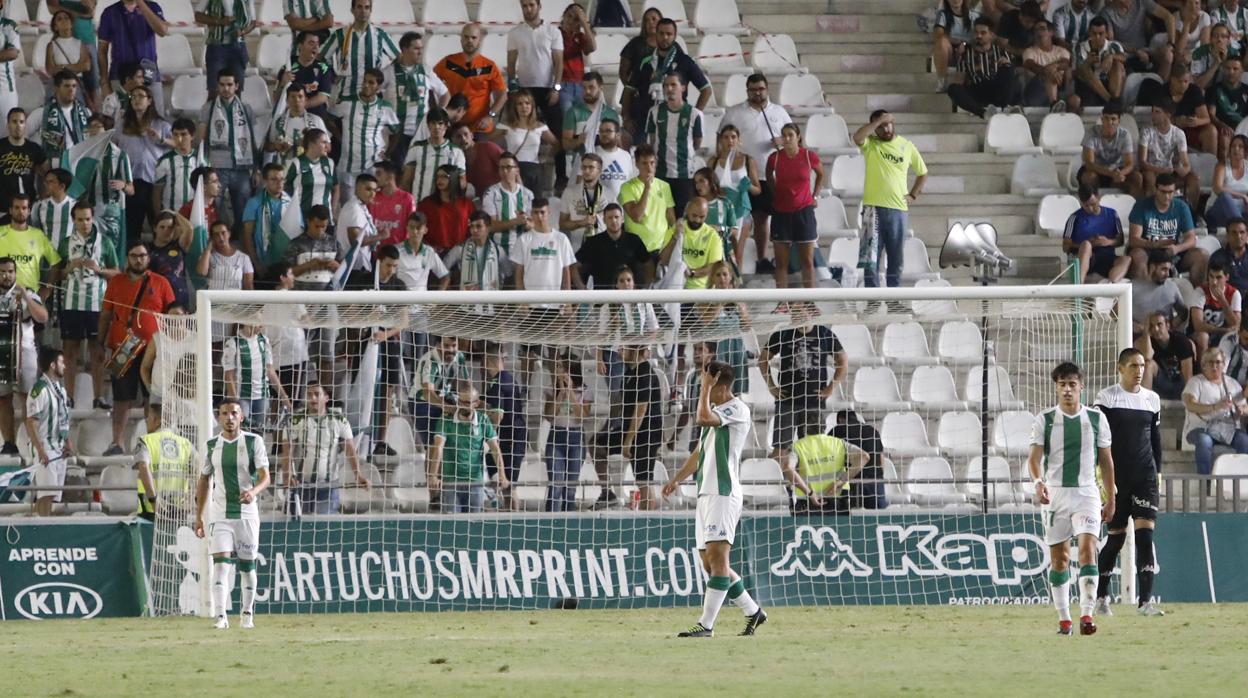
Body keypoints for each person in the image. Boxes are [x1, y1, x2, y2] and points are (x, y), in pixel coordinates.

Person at [661, 361, 766, 638]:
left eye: (706, 379)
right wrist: (678, 478)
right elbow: (700, 450)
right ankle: (753, 612)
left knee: (719, 561)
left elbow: (703, 418)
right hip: (706, 494)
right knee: (710, 565)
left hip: (723, 491)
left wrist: (705, 390)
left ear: (719, 382)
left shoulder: (737, 409)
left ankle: (705, 625)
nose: (701, 384)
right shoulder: (718, 411)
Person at [1028, 361, 1115, 636]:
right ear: (1056, 387)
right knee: (1060, 559)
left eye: (1072, 384)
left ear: (1081, 387)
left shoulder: (1096, 419)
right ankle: (1064, 619)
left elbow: (1107, 461)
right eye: (1062, 384)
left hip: (1087, 493)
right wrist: (1038, 482)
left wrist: (1110, 496)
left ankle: (1087, 616)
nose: (1067, 390)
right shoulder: (1045, 419)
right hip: (1055, 495)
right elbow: (1034, 458)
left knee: (1089, 550)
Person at [1095, 348, 1166, 618]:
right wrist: (1102, 479)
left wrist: (1157, 473)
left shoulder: (1152, 399)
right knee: (1115, 539)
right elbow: (1099, 443)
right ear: (1120, 368)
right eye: (1133, 366)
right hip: (1117, 479)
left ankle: (1145, 602)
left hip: (1145, 477)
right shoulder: (1106, 398)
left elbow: (1156, 441)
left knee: (1146, 536)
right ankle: (1101, 597)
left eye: (1142, 365)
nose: (1139, 370)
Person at [194, 399, 271, 630]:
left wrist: (253, 492)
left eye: (234, 413)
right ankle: (221, 617)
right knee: (221, 565)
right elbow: (204, 479)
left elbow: (265, 476)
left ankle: (247, 615)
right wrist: (199, 515)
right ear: (218, 417)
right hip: (220, 515)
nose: (229, 418)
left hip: (247, 515)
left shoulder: (253, 442)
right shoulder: (211, 446)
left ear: (242, 417)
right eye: (225, 413)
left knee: (248, 567)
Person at [99, 242, 175, 456]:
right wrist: (100, 342)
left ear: (148, 258)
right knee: (121, 398)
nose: (138, 260)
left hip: (153, 349)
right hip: (120, 347)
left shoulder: (161, 282)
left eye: (142, 255)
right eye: (134, 255)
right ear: (127, 258)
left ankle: (152, 443)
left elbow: (173, 315)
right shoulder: (116, 282)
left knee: (152, 397)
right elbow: (106, 313)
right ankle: (116, 443)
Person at [759, 302, 847, 467]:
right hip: (787, 401)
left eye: (800, 311)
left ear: (811, 312)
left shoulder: (825, 334)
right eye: (793, 311)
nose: (796, 315)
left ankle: (807, 488)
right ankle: (781, 486)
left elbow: (843, 361)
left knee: (811, 449)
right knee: (780, 450)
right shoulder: (783, 334)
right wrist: (771, 386)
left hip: (813, 401)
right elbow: (763, 359)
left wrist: (831, 388)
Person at [54, 202, 120, 410]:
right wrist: (68, 268)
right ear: (73, 220)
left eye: (88, 219)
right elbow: (57, 275)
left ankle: (98, 397)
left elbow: (117, 272)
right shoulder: (65, 244)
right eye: (80, 219)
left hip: (96, 304)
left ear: (93, 219)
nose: (85, 223)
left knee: (97, 352)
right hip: (71, 302)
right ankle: (69, 396)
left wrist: (100, 269)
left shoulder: (105, 242)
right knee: (70, 352)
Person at [854, 110, 927, 291]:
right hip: (873, 209)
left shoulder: (906, 145)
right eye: (880, 126)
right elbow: (857, 137)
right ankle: (872, 298)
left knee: (896, 257)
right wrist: (878, 121)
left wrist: (913, 195)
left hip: (898, 209)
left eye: (888, 124)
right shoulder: (871, 144)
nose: (886, 129)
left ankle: (895, 296)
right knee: (870, 257)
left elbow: (923, 173)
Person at [591, 344, 662, 510]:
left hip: (646, 434)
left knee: (643, 481)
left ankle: (648, 522)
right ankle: (607, 494)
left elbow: (641, 409)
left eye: (624, 347)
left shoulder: (645, 373)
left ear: (636, 351)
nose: (620, 350)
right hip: (630, 430)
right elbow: (620, 403)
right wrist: (608, 427)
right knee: (596, 445)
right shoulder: (629, 372)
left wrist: (628, 441)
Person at [282, 381, 367, 515]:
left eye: (317, 394)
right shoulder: (296, 419)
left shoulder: (339, 420)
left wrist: (358, 475)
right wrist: (287, 475)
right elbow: (288, 450)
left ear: (326, 398)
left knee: (325, 527)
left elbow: (349, 450)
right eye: (309, 395)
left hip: (328, 484)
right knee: (297, 526)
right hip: (301, 484)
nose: (313, 398)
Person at [621, 18, 711, 143]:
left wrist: (693, 115)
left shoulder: (685, 61)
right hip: (644, 120)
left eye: (669, 34)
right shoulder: (645, 61)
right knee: (644, 160)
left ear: (675, 36)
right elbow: (628, 90)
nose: (665, 37)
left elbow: (706, 90)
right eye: (661, 33)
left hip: (675, 121)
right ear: (656, 34)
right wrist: (627, 118)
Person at [428, 383, 509, 514]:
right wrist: (433, 476)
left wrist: (502, 475)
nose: (463, 405)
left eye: (468, 402)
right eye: (461, 401)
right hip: (451, 483)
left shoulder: (483, 420)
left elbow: (495, 449)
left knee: (474, 527)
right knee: (452, 527)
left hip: (475, 483)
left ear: (476, 403)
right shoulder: (446, 420)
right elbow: (438, 447)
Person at [197, 69, 258, 231]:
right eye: (222, 85)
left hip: (242, 167)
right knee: (213, 205)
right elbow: (201, 138)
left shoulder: (246, 108)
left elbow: (252, 139)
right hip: (217, 166)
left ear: (236, 86)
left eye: (229, 84)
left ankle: (241, 243)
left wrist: (256, 169)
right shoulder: (209, 108)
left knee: (243, 208)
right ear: (217, 86)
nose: (226, 88)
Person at [0, 258, 48, 456]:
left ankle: (33, 441)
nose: (6, 275)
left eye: (10, 271)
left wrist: (26, 298)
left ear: (15, 273)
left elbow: (43, 317)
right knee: (3, 398)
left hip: (24, 350)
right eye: (2, 271)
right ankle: (9, 443)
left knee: (27, 398)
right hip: (0, 352)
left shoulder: (26, 291)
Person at [766, 123, 823, 289]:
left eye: (791, 134)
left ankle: (809, 302)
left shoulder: (808, 156)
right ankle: (782, 302)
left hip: (803, 212)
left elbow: (820, 173)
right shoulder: (774, 158)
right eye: (784, 135)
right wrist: (775, 190)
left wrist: (815, 196)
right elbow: (769, 174)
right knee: (781, 262)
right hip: (781, 213)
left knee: (807, 261)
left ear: (798, 137)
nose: (787, 138)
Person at [113, 84, 171, 246]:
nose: (136, 100)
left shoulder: (162, 125)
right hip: (131, 181)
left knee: (158, 223)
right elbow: (113, 146)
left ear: (150, 100)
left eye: (140, 96)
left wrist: (161, 139)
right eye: (133, 97)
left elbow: (179, 144)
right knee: (133, 226)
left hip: (155, 181)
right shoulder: (122, 124)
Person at [506, 0, 565, 145]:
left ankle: (560, 168)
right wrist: (513, 87)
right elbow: (511, 63)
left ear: (539, 6)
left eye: (531, 5)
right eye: (525, 6)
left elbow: (559, 62)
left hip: (548, 89)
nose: (528, 9)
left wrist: (556, 88)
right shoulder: (515, 33)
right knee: (523, 131)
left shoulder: (553, 31)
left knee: (556, 131)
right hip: (525, 89)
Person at [1182, 346, 1248, 475]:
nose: (1214, 366)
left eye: (1218, 362)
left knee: (1245, 441)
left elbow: (1245, 406)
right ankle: (1204, 483)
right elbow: (1190, 404)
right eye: (1210, 362)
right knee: (1204, 441)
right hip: (1201, 428)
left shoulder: (1232, 383)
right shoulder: (1195, 382)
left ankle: (1243, 483)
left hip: (1228, 429)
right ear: (1203, 365)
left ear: (1224, 364)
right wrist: (1215, 407)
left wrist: (1242, 410)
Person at [334, 69, 399, 197]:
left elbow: (396, 131)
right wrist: (340, 138)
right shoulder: (348, 102)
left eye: (371, 82)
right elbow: (329, 118)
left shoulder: (385, 108)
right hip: (348, 165)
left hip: (372, 164)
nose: (366, 85)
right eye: (364, 81)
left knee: (371, 205)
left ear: (378, 87)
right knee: (348, 204)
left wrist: (388, 152)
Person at [1128, 173, 1205, 282]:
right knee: (1137, 256)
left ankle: (1198, 295)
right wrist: (1153, 244)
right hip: (1148, 250)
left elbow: (1191, 239)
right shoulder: (1141, 206)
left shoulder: (1181, 207)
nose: (1167, 196)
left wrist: (1177, 248)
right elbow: (1133, 239)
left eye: (1170, 192)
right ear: (1155, 190)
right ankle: (1143, 296)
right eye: (1163, 192)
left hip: (1172, 251)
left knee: (1202, 255)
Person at [704, 125, 761, 270]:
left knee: (737, 253)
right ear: (721, 141)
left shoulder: (748, 160)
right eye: (726, 137)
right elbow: (706, 188)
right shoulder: (713, 161)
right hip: (720, 211)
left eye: (733, 137)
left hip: (741, 211)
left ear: (739, 140)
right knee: (717, 251)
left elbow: (757, 190)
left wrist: (747, 187)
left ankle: (736, 288)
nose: (730, 140)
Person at [646, 73, 704, 215]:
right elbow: (652, 142)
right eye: (666, 85)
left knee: (681, 218)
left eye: (673, 85)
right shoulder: (654, 112)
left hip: (684, 176)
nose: (669, 89)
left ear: (683, 88)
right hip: (660, 174)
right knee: (660, 216)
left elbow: (697, 143)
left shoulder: (695, 114)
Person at [434, 23, 507, 134]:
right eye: (466, 37)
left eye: (473, 37)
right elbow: (428, 85)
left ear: (480, 40)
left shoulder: (489, 66)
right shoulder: (448, 62)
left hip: (480, 128)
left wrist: (490, 116)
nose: (469, 40)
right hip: (452, 126)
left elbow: (502, 95)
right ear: (461, 38)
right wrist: (438, 111)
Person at [946, 17, 1024, 119]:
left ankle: (1006, 107)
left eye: (983, 33)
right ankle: (983, 113)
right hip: (978, 90)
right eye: (976, 32)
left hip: (998, 90)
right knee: (953, 88)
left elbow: (1013, 78)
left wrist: (1008, 65)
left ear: (991, 35)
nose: (978, 35)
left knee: (1008, 68)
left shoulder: (1002, 52)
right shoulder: (965, 55)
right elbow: (959, 82)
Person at [320, 0, 398, 102]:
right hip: (346, 96)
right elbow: (321, 57)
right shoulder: (340, 34)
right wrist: (331, 74)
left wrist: (382, 76)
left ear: (371, 10)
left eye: (367, 7)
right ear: (352, 10)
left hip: (372, 98)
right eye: (359, 7)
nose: (363, 11)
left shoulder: (380, 35)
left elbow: (398, 58)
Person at [26, 348, 72, 517]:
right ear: (52, 365)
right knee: (45, 493)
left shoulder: (60, 389)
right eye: (61, 362)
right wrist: (40, 450)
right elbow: (31, 422)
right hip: (45, 445)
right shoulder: (39, 389)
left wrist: (67, 442)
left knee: (52, 495)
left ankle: (44, 523)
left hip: (58, 447)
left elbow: (63, 418)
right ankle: (37, 528)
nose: (65, 366)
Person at [97, 0, 168, 106]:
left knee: (154, 116)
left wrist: (141, 4)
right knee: (122, 115)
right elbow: (102, 50)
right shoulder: (109, 12)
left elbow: (162, 31)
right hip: (120, 75)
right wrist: (104, 83)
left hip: (149, 74)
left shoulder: (152, 7)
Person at [483, 343, 527, 511]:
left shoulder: (498, 382)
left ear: (487, 361)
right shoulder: (508, 378)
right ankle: (505, 511)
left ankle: (512, 520)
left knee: (509, 486)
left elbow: (498, 415)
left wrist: (487, 437)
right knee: (500, 479)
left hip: (511, 439)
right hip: (514, 436)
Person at [619, 144, 675, 273]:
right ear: (637, 164)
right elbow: (636, 216)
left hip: (662, 248)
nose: (649, 167)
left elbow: (671, 219)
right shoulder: (627, 187)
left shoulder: (664, 186)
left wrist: (671, 244)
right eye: (644, 163)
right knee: (641, 289)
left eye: (652, 163)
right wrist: (647, 188)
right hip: (638, 249)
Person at [783, 432, 870, 515]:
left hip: (808, 502)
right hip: (837, 501)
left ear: (805, 429)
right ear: (824, 428)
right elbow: (864, 456)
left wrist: (810, 493)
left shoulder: (797, 446)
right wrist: (841, 481)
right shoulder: (838, 443)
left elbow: (788, 468)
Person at [493, 89, 559, 196]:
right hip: (514, 168)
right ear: (515, 107)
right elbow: (487, 141)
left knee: (534, 203)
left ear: (532, 106)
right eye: (520, 104)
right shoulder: (506, 126)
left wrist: (546, 158)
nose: (524, 107)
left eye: (527, 103)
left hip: (534, 169)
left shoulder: (540, 126)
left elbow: (556, 144)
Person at [541, 356, 586, 512]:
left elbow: (581, 417)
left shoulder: (585, 391)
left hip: (576, 437)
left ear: (569, 370)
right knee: (556, 485)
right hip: (556, 436)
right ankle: (550, 524)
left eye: (560, 367)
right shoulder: (551, 389)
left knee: (570, 488)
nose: (557, 370)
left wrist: (571, 393)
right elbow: (549, 416)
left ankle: (569, 525)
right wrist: (560, 393)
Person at [83, 114, 134, 254]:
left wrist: (123, 185)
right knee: (91, 249)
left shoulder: (120, 155)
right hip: (89, 209)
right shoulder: (83, 153)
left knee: (110, 249)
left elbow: (131, 189)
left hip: (110, 212)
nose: (92, 130)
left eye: (97, 126)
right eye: (90, 127)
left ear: (108, 130)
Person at [197, 222, 255, 342]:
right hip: (212, 310)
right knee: (212, 346)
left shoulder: (243, 258)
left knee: (231, 345)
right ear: (212, 238)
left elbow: (248, 286)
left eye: (223, 233)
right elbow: (202, 272)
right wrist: (208, 249)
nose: (221, 237)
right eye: (216, 235)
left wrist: (247, 312)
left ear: (229, 234)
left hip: (234, 310)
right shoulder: (209, 256)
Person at [1063, 183, 1131, 283]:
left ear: (1098, 197)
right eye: (1086, 206)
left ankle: (1111, 283)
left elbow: (1120, 240)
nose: (1090, 209)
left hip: (1106, 257)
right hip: (1087, 258)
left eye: (1093, 204)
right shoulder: (1074, 218)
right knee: (1086, 245)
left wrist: (1107, 242)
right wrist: (1088, 244)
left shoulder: (1112, 214)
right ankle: (1078, 288)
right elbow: (1065, 246)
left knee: (1126, 259)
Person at [1138, 100, 1200, 200]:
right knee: (1149, 178)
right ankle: (1153, 211)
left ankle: (1192, 212)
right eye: (1152, 112)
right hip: (1152, 170)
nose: (1153, 115)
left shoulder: (1178, 133)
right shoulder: (1146, 132)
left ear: (1168, 115)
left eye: (1157, 112)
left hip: (1171, 170)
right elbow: (1142, 162)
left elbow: (1186, 163)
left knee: (1194, 178)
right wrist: (1161, 170)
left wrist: (1184, 170)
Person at [134, 422, 195, 521]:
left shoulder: (146, 441)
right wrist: (192, 498)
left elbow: (144, 467)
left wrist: (153, 500)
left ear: (154, 418)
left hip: (151, 510)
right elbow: (200, 470)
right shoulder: (186, 444)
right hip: (180, 511)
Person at [1098, 0, 1175, 78]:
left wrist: (1170, 44)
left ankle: (1159, 85)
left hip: (1146, 49)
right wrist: (1135, 50)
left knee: (1168, 54)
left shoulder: (1141, 2)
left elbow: (1168, 17)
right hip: (1125, 54)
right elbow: (1112, 42)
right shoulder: (1106, 13)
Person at [0, 194, 61, 293]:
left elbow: (56, 263)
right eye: (17, 208)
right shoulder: (0, 233)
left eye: (24, 208)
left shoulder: (38, 235)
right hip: (3, 294)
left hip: (30, 295)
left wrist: (47, 289)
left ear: (29, 211)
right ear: (10, 210)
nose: (20, 211)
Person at [828, 409, 888, 509]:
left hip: (852, 479)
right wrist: (880, 476)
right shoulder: (873, 431)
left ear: (840, 419)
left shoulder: (837, 431)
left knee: (852, 516)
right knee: (878, 515)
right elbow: (881, 457)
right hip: (875, 479)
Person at [561, 71, 615, 180]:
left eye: (591, 87)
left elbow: (618, 142)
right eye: (584, 88)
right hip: (581, 168)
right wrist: (578, 141)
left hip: (606, 167)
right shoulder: (573, 112)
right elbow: (566, 144)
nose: (587, 91)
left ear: (600, 88)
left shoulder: (611, 114)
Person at [482, 152, 535, 263]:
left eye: (508, 167)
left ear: (517, 170)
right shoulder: (491, 193)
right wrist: (516, 221)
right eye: (501, 168)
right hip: (499, 249)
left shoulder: (527, 194)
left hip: (523, 247)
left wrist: (526, 223)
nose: (505, 171)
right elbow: (490, 226)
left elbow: (533, 225)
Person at [444, 212, 504, 309]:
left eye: (479, 226)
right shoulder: (460, 248)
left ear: (488, 228)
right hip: (466, 307)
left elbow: (508, 272)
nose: (474, 230)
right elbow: (443, 269)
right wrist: (451, 282)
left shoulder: (498, 250)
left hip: (491, 307)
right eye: (472, 226)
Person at [403, 108, 464, 204]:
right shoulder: (417, 147)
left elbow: (462, 182)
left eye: (440, 123)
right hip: (420, 204)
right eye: (433, 123)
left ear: (446, 125)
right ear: (428, 125)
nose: (436, 127)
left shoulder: (457, 152)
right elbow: (407, 180)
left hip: (445, 207)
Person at [660, 197, 722, 291]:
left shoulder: (712, 235)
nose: (697, 220)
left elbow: (714, 267)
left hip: (701, 290)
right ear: (687, 211)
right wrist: (675, 238)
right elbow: (664, 260)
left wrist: (692, 273)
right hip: (675, 287)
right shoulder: (675, 229)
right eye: (694, 215)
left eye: (702, 217)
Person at [240, 163, 292, 275]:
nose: (279, 183)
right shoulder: (254, 203)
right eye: (274, 179)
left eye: (282, 179)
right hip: (263, 262)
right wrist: (256, 264)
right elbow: (247, 236)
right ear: (265, 181)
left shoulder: (291, 202)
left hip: (286, 262)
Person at [193, 0, 255, 92]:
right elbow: (198, 15)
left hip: (238, 47)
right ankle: (214, 106)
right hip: (216, 47)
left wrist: (243, 31)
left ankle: (234, 106)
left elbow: (253, 23)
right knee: (215, 89)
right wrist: (219, 22)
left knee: (236, 89)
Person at [691, 168, 743, 277]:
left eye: (701, 181)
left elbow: (734, 232)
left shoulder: (725, 203)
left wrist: (721, 229)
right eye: (696, 182)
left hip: (723, 254)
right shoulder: (692, 205)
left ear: (711, 181)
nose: (698, 185)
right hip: (699, 254)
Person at [1079, 102, 1141, 192]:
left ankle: (1135, 204)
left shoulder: (1124, 135)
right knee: (1089, 177)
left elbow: (1130, 163)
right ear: (1102, 119)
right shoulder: (1091, 132)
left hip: (1117, 170)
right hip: (1097, 170)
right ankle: (1093, 204)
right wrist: (1111, 174)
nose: (1109, 122)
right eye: (1106, 118)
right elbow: (1089, 163)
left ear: (1119, 121)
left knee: (1137, 177)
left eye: (1113, 119)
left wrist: (1120, 174)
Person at [267, 85, 329, 173]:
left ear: (306, 100)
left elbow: (328, 147)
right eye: (293, 97)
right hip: (285, 171)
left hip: (310, 172)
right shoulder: (278, 120)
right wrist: (276, 146)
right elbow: (268, 147)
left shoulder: (316, 121)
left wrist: (310, 144)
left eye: (300, 97)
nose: (297, 100)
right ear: (287, 101)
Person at [417, 164, 475, 254]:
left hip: (460, 252)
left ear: (453, 178)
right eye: (438, 177)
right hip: (434, 253)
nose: (439, 180)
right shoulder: (427, 203)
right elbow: (418, 228)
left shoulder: (466, 204)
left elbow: (473, 229)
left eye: (444, 176)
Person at [0, 109, 48, 214]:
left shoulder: (34, 149)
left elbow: (48, 175)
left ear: (25, 125)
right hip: (3, 208)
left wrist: (44, 199)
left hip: (27, 208)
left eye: (21, 122)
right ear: (8, 124)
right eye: (14, 122)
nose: (18, 126)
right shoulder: (1, 146)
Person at [1138, 309, 1195, 398]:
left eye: (1159, 324)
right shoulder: (1149, 342)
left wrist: (1189, 399)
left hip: (1180, 383)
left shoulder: (1181, 341)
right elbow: (1147, 357)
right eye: (1152, 326)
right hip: (1162, 383)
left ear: (1167, 325)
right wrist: (1146, 332)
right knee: (1148, 364)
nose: (1155, 329)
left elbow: (1188, 375)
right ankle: (1145, 403)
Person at [154, 118, 206, 215]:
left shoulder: (201, 160)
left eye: (183, 134)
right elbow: (157, 192)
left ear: (192, 136)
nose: (179, 139)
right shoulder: (165, 160)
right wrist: (158, 215)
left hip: (195, 214)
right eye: (175, 134)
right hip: (171, 214)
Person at [45, 9, 95, 111]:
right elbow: (50, 69)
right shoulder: (52, 45)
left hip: (76, 82)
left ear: (72, 23)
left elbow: (86, 66)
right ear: (55, 26)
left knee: (78, 109)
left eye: (66, 18)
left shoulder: (80, 43)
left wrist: (63, 67)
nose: (64, 21)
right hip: (58, 83)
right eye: (59, 19)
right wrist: (75, 67)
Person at [1022, 19, 1076, 111]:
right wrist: (1049, 70)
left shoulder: (1061, 51)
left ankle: (1059, 113)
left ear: (1051, 32)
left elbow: (1065, 64)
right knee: (1050, 73)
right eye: (1036, 30)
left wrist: (1053, 67)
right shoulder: (1029, 51)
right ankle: (1054, 104)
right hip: (1037, 90)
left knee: (1075, 100)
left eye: (1042, 29)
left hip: (1060, 87)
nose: (1039, 32)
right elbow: (1030, 65)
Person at [335, 174, 384, 275]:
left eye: (375, 190)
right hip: (352, 270)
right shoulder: (354, 209)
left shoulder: (360, 206)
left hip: (356, 267)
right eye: (368, 189)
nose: (372, 194)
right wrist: (380, 236)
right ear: (357, 188)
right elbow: (356, 241)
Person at [1191, 259, 1242, 354]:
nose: (1214, 282)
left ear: (1227, 277)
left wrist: (1223, 301)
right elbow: (1197, 325)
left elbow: (1236, 324)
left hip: (1225, 334)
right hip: (1206, 332)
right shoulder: (1200, 291)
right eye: (1211, 276)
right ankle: (1202, 368)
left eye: (1218, 277)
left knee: (1236, 338)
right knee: (1203, 337)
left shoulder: (1234, 293)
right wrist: (1222, 330)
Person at [285, 129, 338, 219]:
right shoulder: (295, 164)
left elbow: (336, 188)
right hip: (301, 219)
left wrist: (333, 210)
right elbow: (284, 189)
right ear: (312, 144)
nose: (327, 146)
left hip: (325, 220)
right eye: (324, 142)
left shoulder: (329, 163)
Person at [279, 31, 334, 119]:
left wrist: (300, 106)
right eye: (311, 43)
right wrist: (282, 83)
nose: (316, 47)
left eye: (317, 44)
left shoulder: (323, 68)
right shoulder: (287, 68)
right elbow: (276, 98)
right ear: (300, 46)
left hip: (316, 118)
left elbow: (323, 97)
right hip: (291, 117)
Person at [1074, 17, 1127, 108]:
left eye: (1101, 34)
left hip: (1109, 81)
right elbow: (1078, 71)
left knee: (1118, 64)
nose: (1097, 37)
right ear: (1089, 33)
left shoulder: (1113, 45)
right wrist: (1087, 62)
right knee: (1085, 70)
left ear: (1106, 33)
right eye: (1094, 33)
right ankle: (1111, 101)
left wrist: (1111, 56)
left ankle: (1115, 98)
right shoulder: (1081, 47)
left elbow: (1124, 58)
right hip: (1089, 85)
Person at [1131, 252, 1188, 334]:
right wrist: (1134, 326)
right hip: (1141, 336)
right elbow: (1114, 314)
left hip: (1166, 337)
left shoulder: (1171, 286)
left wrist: (1171, 326)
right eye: (1164, 269)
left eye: (1169, 270)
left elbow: (1183, 312)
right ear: (1152, 267)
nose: (1167, 274)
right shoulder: (1132, 286)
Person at [40, 71, 91, 162]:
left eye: (74, 86)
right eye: (67, 86)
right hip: (56, 165)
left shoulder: (86, 112)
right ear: (57, 89)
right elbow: (25, 135)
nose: (71, 89)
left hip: (80, 163)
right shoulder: (43, 112)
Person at [559, 153, 607, 248]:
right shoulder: (570, 192)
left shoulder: (609, 194)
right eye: (584, 167)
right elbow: (562, 224)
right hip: (578, 248)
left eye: (591, 167)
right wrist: (581, 223)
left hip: (603, 247)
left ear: (600, 171)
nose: (586, 171)